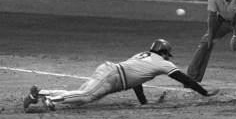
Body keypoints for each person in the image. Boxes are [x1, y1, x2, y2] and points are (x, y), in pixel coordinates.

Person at [23, 39, 220, 111]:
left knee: (81, 92)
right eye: (167, 53)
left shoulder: (142, 56)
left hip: (110, 71)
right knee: (86, 97)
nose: (168, 57)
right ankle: (52, 100)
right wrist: (203, 92)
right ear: (164, 52)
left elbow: (137, 81)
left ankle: (39, 93)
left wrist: (143, 102)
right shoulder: (162, 62)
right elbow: (183, 78)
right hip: (113, 76)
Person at [186, 0, 236, 83]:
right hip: (222, 21)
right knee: (205, 43)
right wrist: (211, 35)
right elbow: (212, 16)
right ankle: (191, 78)